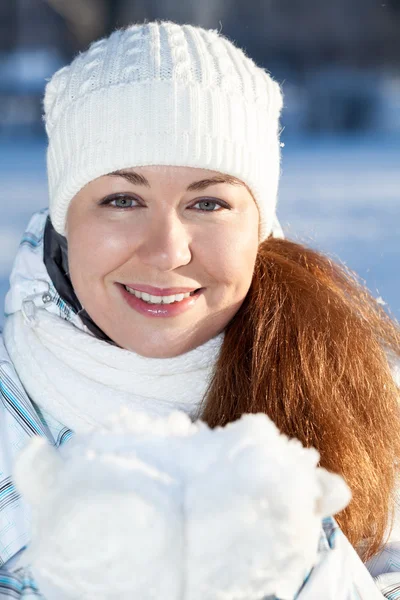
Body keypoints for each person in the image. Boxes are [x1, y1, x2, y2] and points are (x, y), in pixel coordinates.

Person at [0, 20, 399, 599]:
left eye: (208, 203)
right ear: (67, 220)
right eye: (122, 200)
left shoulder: (357, 386)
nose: (167, 251)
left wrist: (307, 572)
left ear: (257, 226)